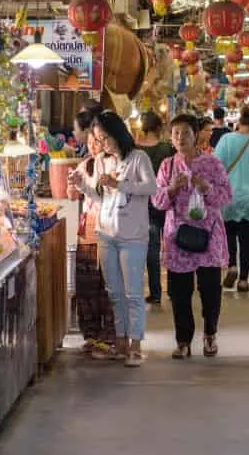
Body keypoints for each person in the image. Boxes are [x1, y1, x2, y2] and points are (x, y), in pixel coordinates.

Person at [70, 111, 157, 367]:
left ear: (117, 133)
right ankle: (119, 341)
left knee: (133, 293)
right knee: (114, 293)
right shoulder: (101, 162)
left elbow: (151, 188)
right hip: (106, 233)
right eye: (98, 138)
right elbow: (100, 198)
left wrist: (121, 185)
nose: (102, 143)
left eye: (105, 137)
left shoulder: (138, 158)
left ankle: (135, 344)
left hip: (133, 236)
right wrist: (82, 185)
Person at [152, 114, 233, 359]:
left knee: (210, 289)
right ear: (171, 137)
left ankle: (210, 334)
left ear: (195, 135)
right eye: (176, 133)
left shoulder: (212, 164)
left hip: (209, 236)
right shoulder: (167, 166)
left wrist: (205, 187)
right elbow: (157, 201)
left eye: (185, 132)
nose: (180, 138)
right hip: (178, 238)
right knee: (179, 292)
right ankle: (183, 341)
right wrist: (173, 188)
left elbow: (226, 196)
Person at [213, 107, 249, 292]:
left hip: (228, 195)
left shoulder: (226, 140)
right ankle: (244, 280)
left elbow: (216, 168)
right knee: (247, 239)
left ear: (240, 122)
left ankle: (232, 266)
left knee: (229, 234)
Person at [73, 131, 116, 359]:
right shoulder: (85, 165)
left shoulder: (114, 165)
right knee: (86, 286)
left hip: (109, 230)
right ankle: (90, 334)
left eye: (97, 142)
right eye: (89, 143)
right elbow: (76, 195)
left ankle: (109, 336)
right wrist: (74, 187)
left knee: (107, 287)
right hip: (87, 230)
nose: (93, 147)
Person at [137, 111, 175, 305]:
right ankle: (174, 288)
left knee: (152, 249)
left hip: (145, 204)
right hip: (167, 202)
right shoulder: (167, 149)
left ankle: (155, 292)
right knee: (170, 245)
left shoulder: (136, 150)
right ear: (159, 128)